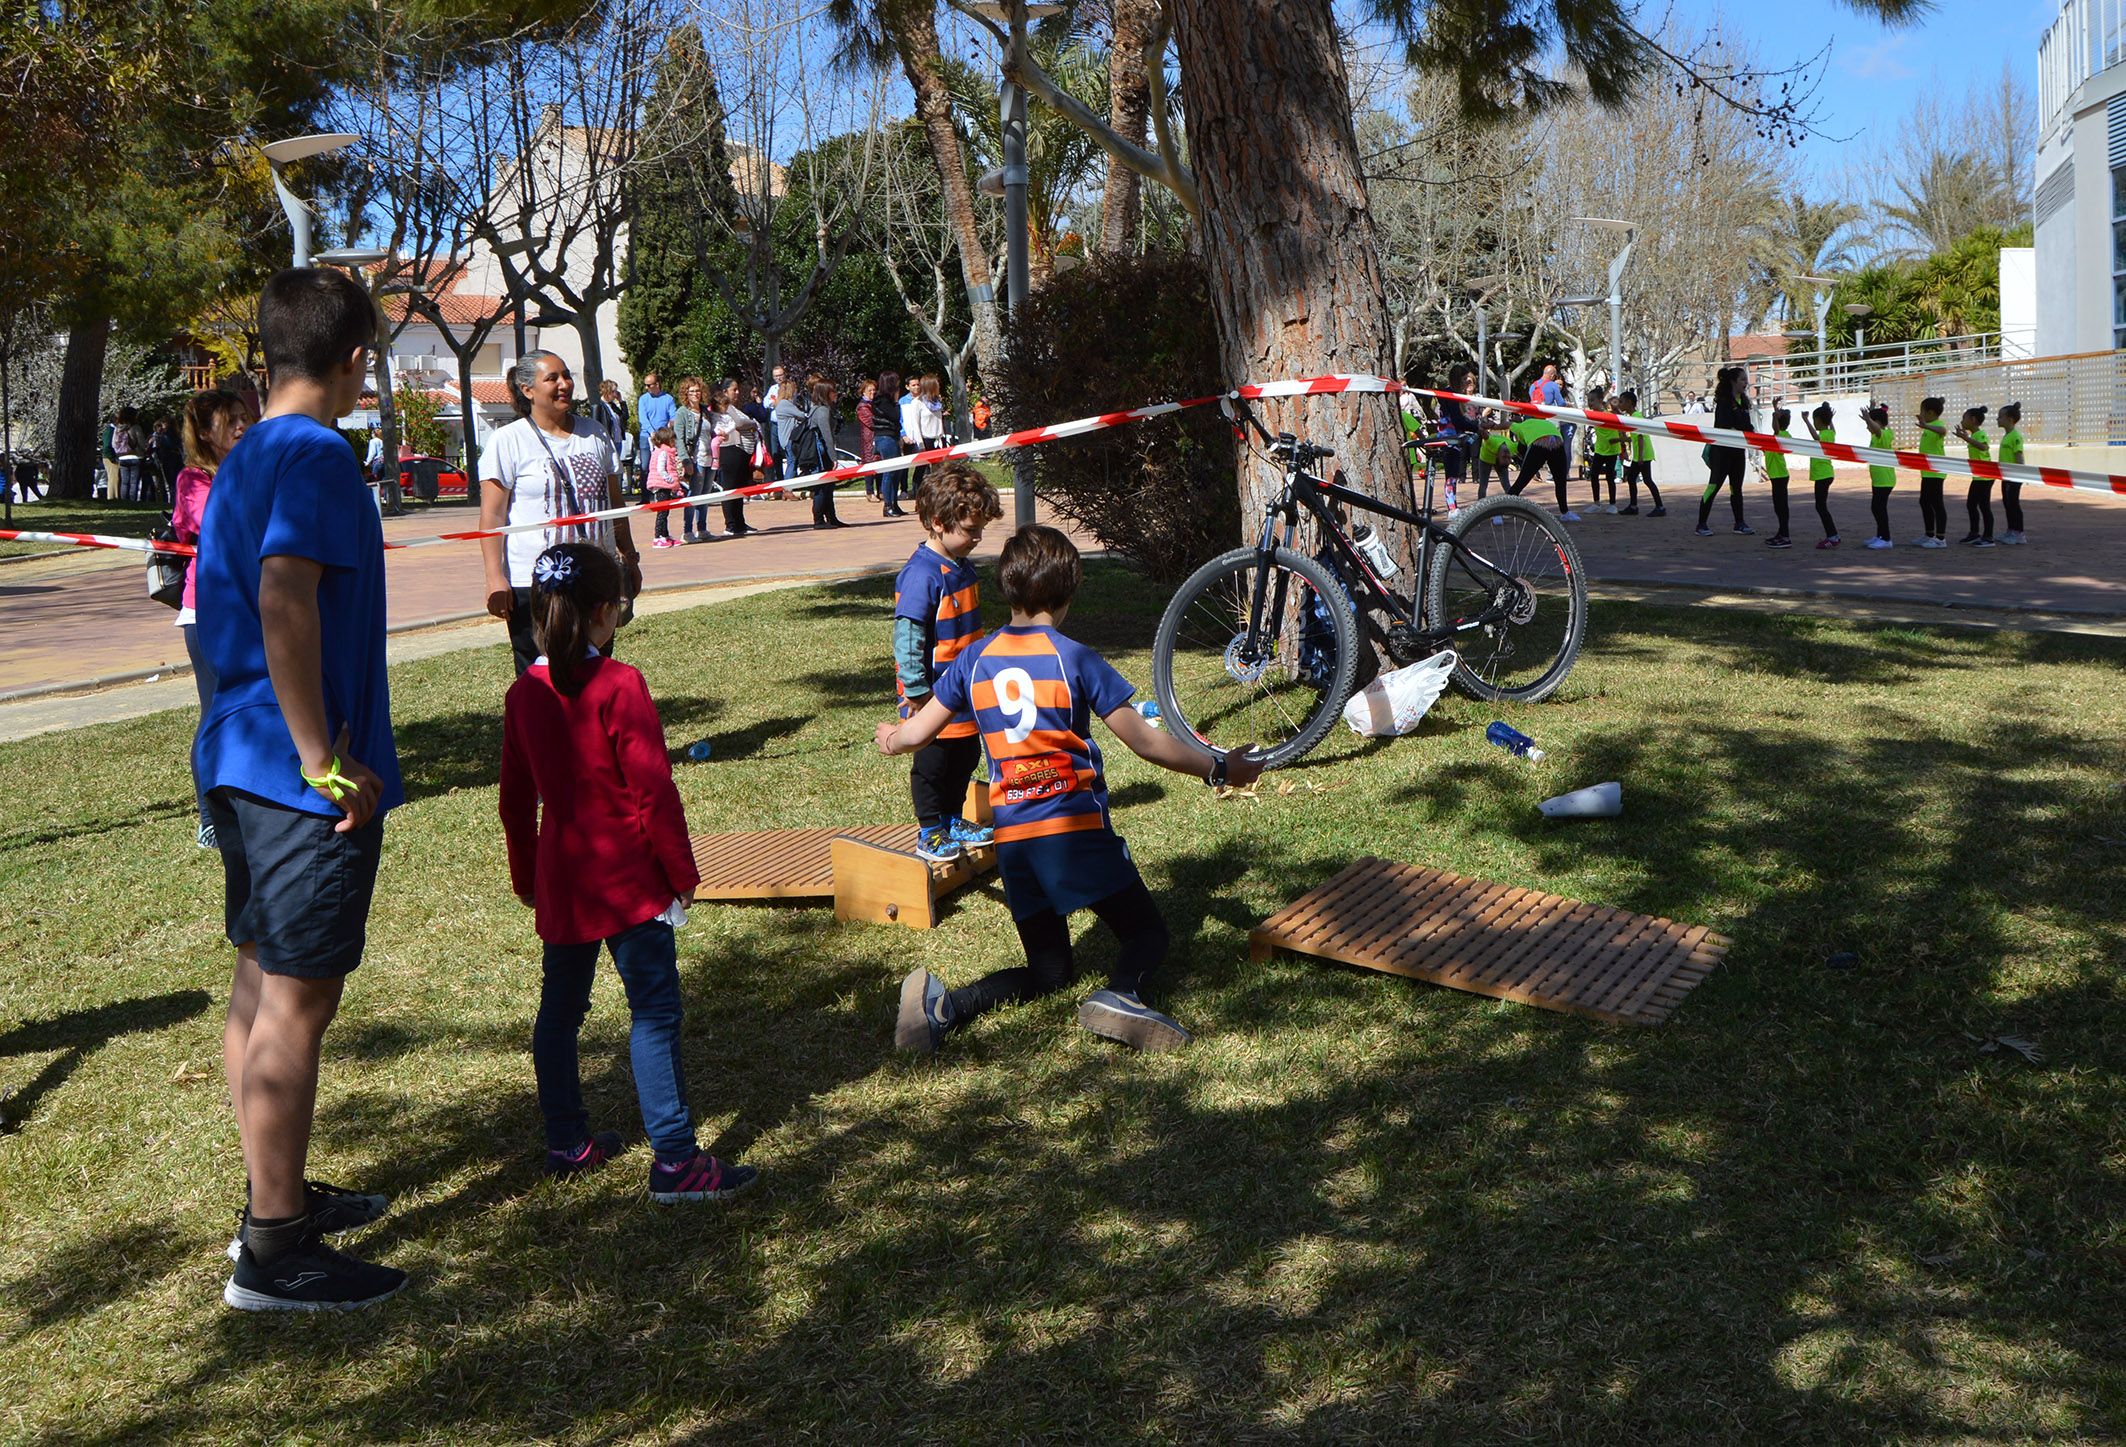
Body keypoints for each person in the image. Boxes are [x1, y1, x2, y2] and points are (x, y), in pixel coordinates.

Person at [195, 266, 403, 1311]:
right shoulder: (318, 453)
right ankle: (275, 1249)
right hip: (292, 775)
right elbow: (284, 598)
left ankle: (274, 1198)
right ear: (355, 359)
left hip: (237, 757)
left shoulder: (245, 455)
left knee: (258, 982)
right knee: (298, 998)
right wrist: (322, 754)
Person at [878, 525, 1266, 1054]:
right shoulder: (1074, 657)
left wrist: (893, 738)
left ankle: (946, 1007)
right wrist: (1219, 768)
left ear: (1008, 588)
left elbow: (919, 732)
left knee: (1051, 971)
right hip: (1073, 831)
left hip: (1013, 841)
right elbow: (1146, 744)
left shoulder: (973, 660)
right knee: (1147, 934)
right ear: (1066, 595)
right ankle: (1122, 993)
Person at [498, 542, 758, 1203]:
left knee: (560, 1012)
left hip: (564, 876)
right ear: (607, 613)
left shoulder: (522, 694)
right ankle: (675, 1160)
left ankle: (566, 1140)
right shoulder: (622, 684)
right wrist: (681, 870)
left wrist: (526, 876)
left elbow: (514, 799)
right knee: (655, 1011)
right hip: (629, 878)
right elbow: (654, 791)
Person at [477, 350, 640, 675]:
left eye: (566, 375)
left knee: (596, 672)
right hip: (536, 584)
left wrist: (629, 558)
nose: (564, 384)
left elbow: (613, 504)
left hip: (595, 575)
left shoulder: (594, 433)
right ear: (527, 390)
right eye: (552, 378)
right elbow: (492, 517)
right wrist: (495, 577)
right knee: (541, 679)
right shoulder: (507, 441)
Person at [891, 463, 1005, 861]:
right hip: (932, 694)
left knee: (964, 756)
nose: (977, 538)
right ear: (938, 523)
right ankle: (930, 830)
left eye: (979, 530)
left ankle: (953, 818)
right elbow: (908, 637)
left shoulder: (961, 566)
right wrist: (917, 692)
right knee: (933, 764)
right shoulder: (922, 575)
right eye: (971, 530)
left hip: (964, 691)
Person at [172, 390, 249, 849]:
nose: (241, 427)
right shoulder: (193, 479)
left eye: (244, 418)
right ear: (204, 432)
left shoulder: (248, 468)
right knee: (215, 712)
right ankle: (209, 816)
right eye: (229, 421)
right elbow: (214, 522)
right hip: (207, 611)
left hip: (252, 608)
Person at [1695, 365, 1752, 537]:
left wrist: (1743, 426)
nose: (1745, 383)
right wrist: (1741, 425)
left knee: (1737, 488)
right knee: (1714, 485)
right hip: (1721, 451)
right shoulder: (1724, 402)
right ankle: (1701, 524)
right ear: (1733, 381)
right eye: (1742, 379)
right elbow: (1725, 424)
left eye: (1746, 379)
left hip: (1738, 450)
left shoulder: (1744, 402)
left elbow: (1747, 426)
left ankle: (1739, 523)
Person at [794, 378, 847, 530]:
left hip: (820, 453)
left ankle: (831, 517)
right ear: (826, 393)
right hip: (819, 454)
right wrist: (834, 457)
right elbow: (827, 436)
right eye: (833, 391)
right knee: (821, 487)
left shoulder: (818, 409)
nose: (836, 394)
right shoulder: (822, 411)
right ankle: (818, 519)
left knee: (828, 486)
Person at [711, 378, 758, 538]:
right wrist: (752, 423)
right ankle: (731, 524)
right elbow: (739, 422)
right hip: (730, 450)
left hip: (740, 452)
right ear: (725, 392)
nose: (737, 393)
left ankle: (739, 522)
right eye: (734, 390)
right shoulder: (725, 407)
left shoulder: (732, 408)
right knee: (730, 487)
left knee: (739, 488)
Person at [1507, 413, 1573, 519]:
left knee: (1522, 480)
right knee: (1560, 481)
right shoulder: (1547, 422)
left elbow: (1507, 424)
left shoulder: (1520, 426)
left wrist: (1491, 426)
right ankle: (1565, 512)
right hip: (1557, 442)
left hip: (1539, 444)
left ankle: (1503, 510)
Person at [671, 377, 711, 543]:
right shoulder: (682, 412)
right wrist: (686, 460)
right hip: (695, 458)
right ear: (686, 393)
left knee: (706, 495)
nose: (695, 394)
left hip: (710, 457)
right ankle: (687, 531)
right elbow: (678, 438)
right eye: (692, 391)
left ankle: (702, 528)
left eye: (698, 390)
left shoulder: (705, 411)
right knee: (694, 494)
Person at [1616, 390, 1662, 515]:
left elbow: (1640, 437)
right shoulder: (1634, 416)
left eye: (1622, 402)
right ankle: (1635, 506)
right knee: (1633, 479)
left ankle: (1657, 506)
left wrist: (1640, 456)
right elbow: (1634, 438)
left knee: (1645, 480)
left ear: (1629, 403)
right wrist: (1618, 439)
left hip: (1643, 455)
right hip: (1640, 455)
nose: (1619, 404)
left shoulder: (1636, 417)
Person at [1954, 405, 1994, 547]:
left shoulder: (1980, 434)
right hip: (1978, 476)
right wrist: (1966, 437)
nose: (1962, 420)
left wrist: (1966, 438)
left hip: (1985, 476)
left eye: (1964, 417)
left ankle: (1988, 537)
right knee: (1972, 504)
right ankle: (1974, 533)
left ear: (1972, 419)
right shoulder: (1974, 436)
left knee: (1984, 506)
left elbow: (1984, 447)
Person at [1913, 395, 1949, 548]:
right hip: (1927, 471)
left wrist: (1925, 426)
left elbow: (1943, 430)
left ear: (1931, 413)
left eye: (1922, 411)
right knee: (1924, 501)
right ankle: (1929, 534)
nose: (1920, 414)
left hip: (1936, 472)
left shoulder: (1937, 424)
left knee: (1937, 504)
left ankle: (1941, 539)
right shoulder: (1930, 425)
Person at [872, 370, 908, 517]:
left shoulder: (886, 400)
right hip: (885, 438)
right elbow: (895, 416)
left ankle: (894, 503)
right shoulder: (883, 400)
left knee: (897, 471)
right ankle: (888, 505)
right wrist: (896, 401)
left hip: (892, 436)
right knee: (890, 471)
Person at [1862, 402, 1897, 550]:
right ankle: (1880, 536)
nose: (1867, 427)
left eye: (1869, 423)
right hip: (1878, 479)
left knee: (1879, 508)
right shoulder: (1876, 436)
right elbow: (1875, 428)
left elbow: (1877, 429)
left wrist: (1869, 418)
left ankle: (1886, 538)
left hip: (1885, 479)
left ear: (1877, 423)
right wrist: (1870, 414)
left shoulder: (1886, 434)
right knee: (1877, 507)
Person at [644, 424, 685, 548]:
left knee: (665, 512)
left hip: (665, 486)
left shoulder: (666, 452)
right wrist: (670, 480)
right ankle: (657, 537)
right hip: (661, 486)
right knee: (662, 512)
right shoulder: (663, 453)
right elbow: (661, 469)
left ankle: (665, 535)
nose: (674, 442)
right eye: (672, 440)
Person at [1759, 406, 1794, 548]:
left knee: (1781, 507)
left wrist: (1775, 415)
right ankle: (1781, 533)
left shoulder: (1782, 436)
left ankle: (1785, 536)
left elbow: (1776, 430)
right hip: (1777, 476)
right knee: (1778, 506)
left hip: (1779, 476)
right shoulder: (1776, 437)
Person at [1806, 402, 1840, 548]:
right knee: (1821, 506)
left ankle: (1832, 536)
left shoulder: (1824, 435)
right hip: (1825, 474)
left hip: (1823, 475)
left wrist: (1805, 420)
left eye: (1814, 420)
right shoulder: (1831, 433)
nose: (1814, 422)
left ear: (1819, 420)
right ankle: (1833, 535)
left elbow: (1815, 436)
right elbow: (1832, 427)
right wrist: (1829, 415)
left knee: (1821, 507)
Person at [1588, 387, 1624, 512]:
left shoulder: (1609, 416)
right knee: (1593, 475)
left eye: (1592, 400)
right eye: (1589, 400)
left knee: (1610, 477)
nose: (1590, 403)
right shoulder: (1592, 414)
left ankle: (1612, 504)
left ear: (1599, 400)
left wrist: (1622, 444)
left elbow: (1620, 430)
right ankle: (1596, 503)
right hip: (1599, 449)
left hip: (1612, 450)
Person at [634, 372, 674, 481]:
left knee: (663, 465)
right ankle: (645, 496)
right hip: (646, 437)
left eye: (649, 385)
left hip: (663, 438)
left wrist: (669, 426)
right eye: (645, 385)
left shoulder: (668, 399)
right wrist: (652, 431)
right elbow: (643, 418)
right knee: (645, 467)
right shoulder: (643, 399)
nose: (646, 388)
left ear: (657, 384)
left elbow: (673, 416)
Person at [1997, 402, 2027, 545]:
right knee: (2007, 502)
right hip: (2006, 475)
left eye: (2000, 417)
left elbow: (2019, 456)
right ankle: (2011, 530)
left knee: (2013, 503)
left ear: (2009, 419)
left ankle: (2019, 533)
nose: (1997, 419)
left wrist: (2022, 474)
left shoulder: (2015, 436)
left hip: (2014, 476)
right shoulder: (2007, 435)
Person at [113, 406, 145, 503]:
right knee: (134, 482)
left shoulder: (118, 428)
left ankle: (123, 501)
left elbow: (113, 444)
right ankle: (132, 501)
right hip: (135, 456)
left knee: (124, 482)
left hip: (122, 457)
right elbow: (142, 443)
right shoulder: (135, 427)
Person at [856, 379, 882, 499]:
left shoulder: (875, 404)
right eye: (869, 390)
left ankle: (880, 491)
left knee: (880, 466)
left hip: (877, 438)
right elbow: (871, 422)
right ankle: (870, 492)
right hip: (869, 441)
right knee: (869, 466)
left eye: (874, 390)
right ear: (863, 392)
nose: (872, 392)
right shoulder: (862, 406)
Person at [148, 417, 182, 505]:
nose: (162, 426)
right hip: (172, 459)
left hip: (170, 459)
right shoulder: (175, 434)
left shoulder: (166, 435)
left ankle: (173, 501)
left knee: (171, 483)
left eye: (163, 424)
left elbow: (170, 445)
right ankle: (174, 500)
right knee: (173, 482)